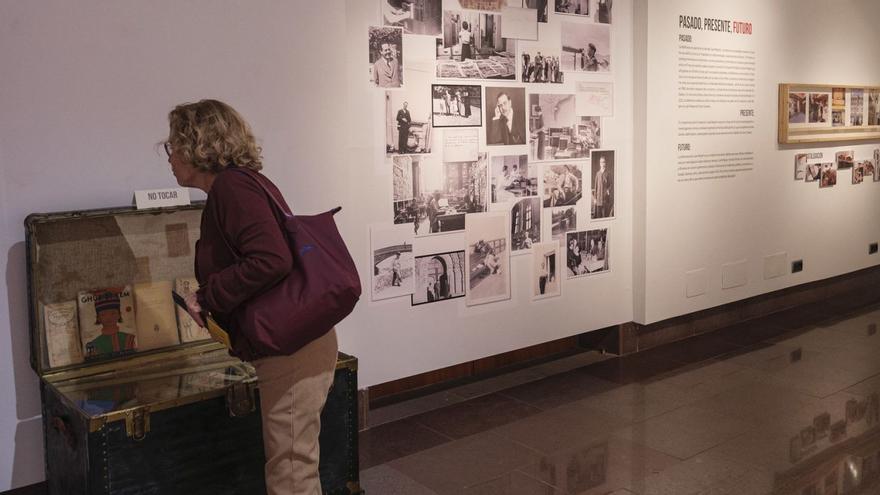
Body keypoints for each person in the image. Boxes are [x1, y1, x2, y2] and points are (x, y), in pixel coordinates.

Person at [166, 99, 338, 495]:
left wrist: (208, 296)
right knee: (294, 463)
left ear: (199, 145)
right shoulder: (240, 184)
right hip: (295, 342)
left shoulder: (232, 188)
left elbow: (271, 259)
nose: (170, 156)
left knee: (291, 473)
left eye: (174, 144)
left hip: (294, 350)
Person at [85, 290, 137, 358]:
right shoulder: (94, 344)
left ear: (119, 315)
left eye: (113, 313)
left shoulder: (129, 338)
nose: (109, 318)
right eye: (103, 314)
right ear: (98, 318)